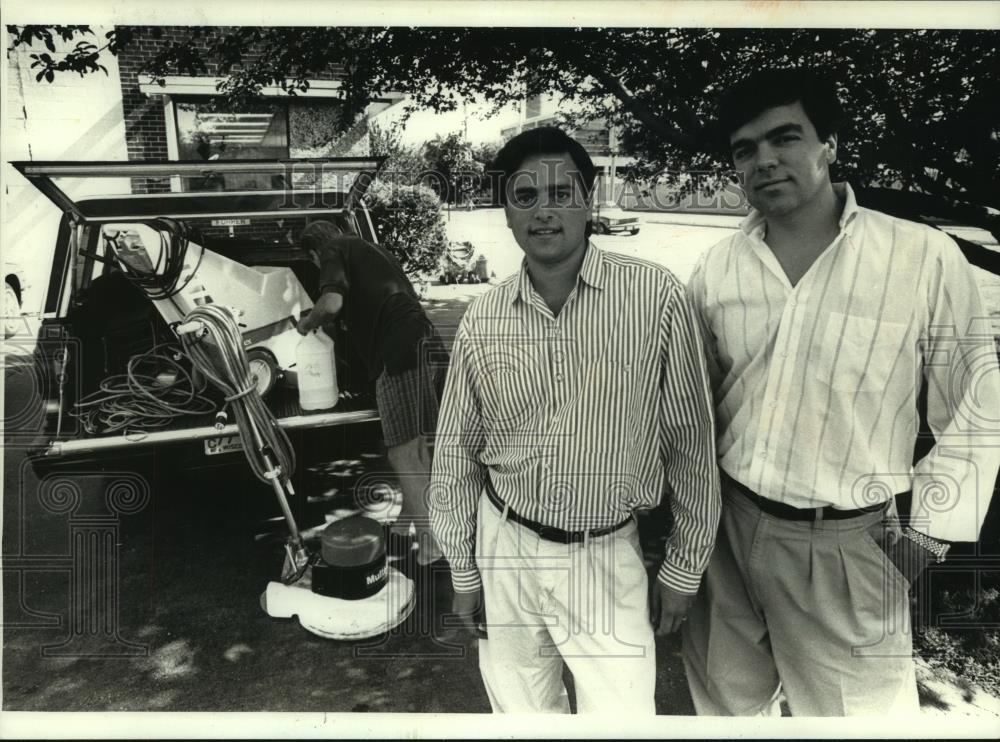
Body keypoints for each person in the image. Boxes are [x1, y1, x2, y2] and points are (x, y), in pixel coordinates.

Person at [682, 68, 1000, 716]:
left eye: (785, 137)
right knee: (725, 705)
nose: (764, 160)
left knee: (859, 721)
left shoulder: (920, 258)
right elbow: (694, 400)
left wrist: (930, 537)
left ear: (829, 143)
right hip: (729, 527)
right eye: (745, 149)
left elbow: (977, 401)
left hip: (847, 543)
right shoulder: (718, 267)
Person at [429, 127, 721, 714]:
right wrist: (463, 568)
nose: (544, 210)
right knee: (519, 710)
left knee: (621, 717)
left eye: (562, 192)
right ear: (506, 212)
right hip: (504, 542)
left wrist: (685, 566)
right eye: (525, 195)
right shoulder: (485, 318)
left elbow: (692, 438)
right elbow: (457, 449)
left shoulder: (653, 297)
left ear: (589, 201)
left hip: (604, 554)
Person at [298, 215, 445, 564]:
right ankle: (404, 525)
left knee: (402, 452)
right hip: (425, 344)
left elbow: (330, 304)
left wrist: (308, 322)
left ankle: (431, 542)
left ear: (315, 253)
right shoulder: (369, 249)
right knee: (420, 449)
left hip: (397, 351)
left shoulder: (333, 250)